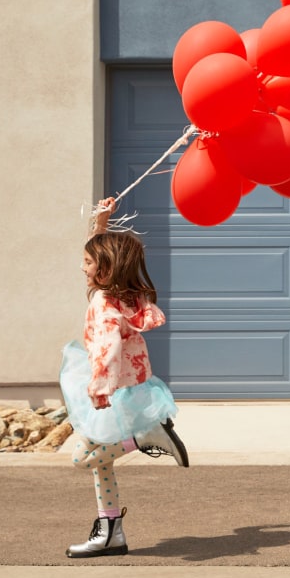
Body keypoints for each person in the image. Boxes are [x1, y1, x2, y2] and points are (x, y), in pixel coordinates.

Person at [59, 197, 189, 559]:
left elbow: (108, 349)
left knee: (83, 458)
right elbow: (101, 253)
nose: (81, 267)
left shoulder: (103, 303)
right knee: (101, 462)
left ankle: (143, 437)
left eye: (87, 263)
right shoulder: (123, 295)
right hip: (131, 386)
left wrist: (98, 390)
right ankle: (110, 530)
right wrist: (101, 223)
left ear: (104, 271)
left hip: (110, 388)